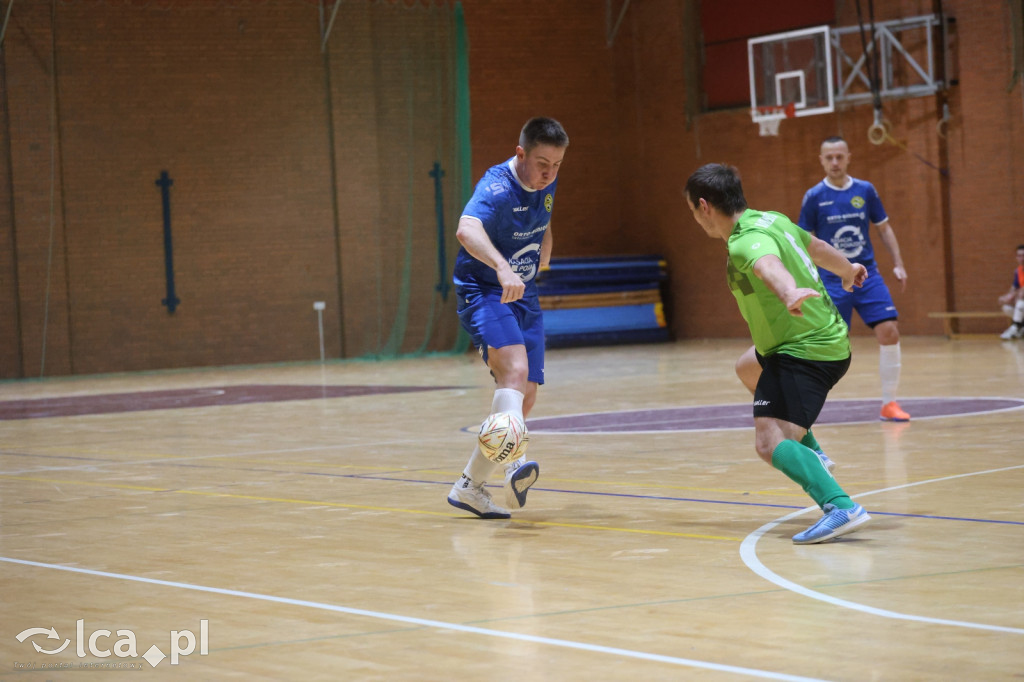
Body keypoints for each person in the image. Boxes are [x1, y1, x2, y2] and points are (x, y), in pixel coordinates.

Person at [684, 162, 871, 544]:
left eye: (692, 211)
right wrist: (847, 269)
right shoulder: (772, 219)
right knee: (748, 367)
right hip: (818, 339)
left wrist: (787, 292)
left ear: (704, 206)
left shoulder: (744, 240)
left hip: (807, 350)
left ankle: (840, 506)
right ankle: (812, 451)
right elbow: (815, 246)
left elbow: (767, 265)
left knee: (769, 443)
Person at [447, 117, 569, 519]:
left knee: (526, 392)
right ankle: (515, 457)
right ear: (520, 154)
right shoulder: (496, 187)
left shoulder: (545, 180)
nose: (549, 173)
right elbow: (466, 230)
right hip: (486, 290)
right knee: (514, 370)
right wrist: (502, 267)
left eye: (556, 165)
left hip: (524, 293)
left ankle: (469, 485)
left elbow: (543, 220)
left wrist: (543, 250)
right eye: (541, 164)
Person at [797, 136, 910, 422]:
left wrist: (899, 264)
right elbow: (804, 241)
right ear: (821, 161)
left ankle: (889, 403)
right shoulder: (813, 197)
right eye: (829, 158)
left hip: (867, 274)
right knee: (830, 344)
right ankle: (806, 406)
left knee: (889, 331)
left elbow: (884, 229)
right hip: (832, 279)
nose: (835, 162)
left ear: (848, 157)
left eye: (839, 156)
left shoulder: (865, 190)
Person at [998, 244, 1024, 340]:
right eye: (1019, 256)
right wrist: (1007, 296)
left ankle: (1015, 327)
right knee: (1006, 307)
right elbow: (1014, 287)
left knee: (1021, 300)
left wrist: (1014, 295)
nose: (1022, 258)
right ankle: (1021, 327)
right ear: (1016, 257)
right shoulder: (1018, 271)